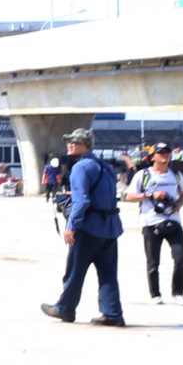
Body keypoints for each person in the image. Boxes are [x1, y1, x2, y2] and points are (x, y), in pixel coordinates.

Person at [42, 128, 127, 326]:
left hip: (89, 228)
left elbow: (82, 201)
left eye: (76, 142)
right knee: (108, 273)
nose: (70, 144)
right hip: (110, 228)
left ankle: (65, 308)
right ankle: (113, 313)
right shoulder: (105, 166)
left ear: (86, 145)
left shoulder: (80, 167)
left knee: (75, 271)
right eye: (69, 141)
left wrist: (71, 226)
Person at [126, 146, 183, 304]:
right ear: (152, 157)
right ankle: (155, 294)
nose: (165, 156)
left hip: (173, 221)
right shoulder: (143, 175)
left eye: (167, 153)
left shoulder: (175, 174)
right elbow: (129, 196)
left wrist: (178, 204)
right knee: (153, 262)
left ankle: (178, 293)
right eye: (160, 153)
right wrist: (151, 195)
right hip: (151, 223)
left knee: (181, 259)